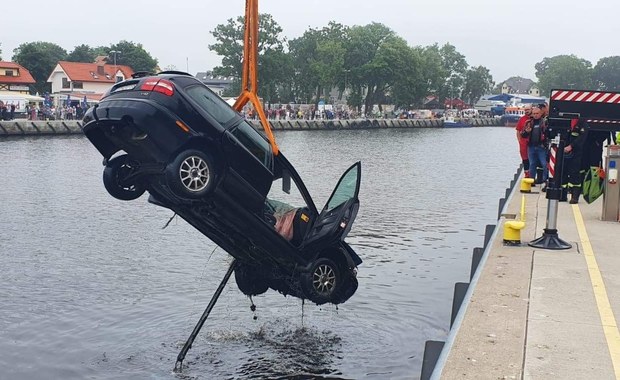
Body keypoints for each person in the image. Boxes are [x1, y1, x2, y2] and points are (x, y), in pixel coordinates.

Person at [562, 118, 588, 203]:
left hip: (576, 152)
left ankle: (575, 196)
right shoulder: (565, 120)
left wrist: (571, 146)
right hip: (564, 151)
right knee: (563, 172)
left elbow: (582, 137)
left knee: (574, 173)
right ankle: (562, 195)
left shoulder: (582, 122)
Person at [521, 106, 548, 185]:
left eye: (537, 113)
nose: (535, 115)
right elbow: (523, 135)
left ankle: (546, 180)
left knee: (544, 164)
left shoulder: (544, 122)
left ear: (540, 114)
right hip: (531, 146)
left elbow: (548, 134)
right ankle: (531, 181)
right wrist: (526, 131)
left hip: (541, 147)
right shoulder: (528, 122)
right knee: (532, 164)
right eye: (534, 113)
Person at [515, 104, 533, 178]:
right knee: (525, 159)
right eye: (525, 110)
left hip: (532, 142)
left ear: (531, 109)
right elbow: (518, 131)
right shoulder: (522, 119)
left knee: (532, 159)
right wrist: (519, 141)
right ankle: (527, 174)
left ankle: (533, 175)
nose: (526, 111)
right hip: (523, 143)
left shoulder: (534, 118)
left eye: (528, 110)